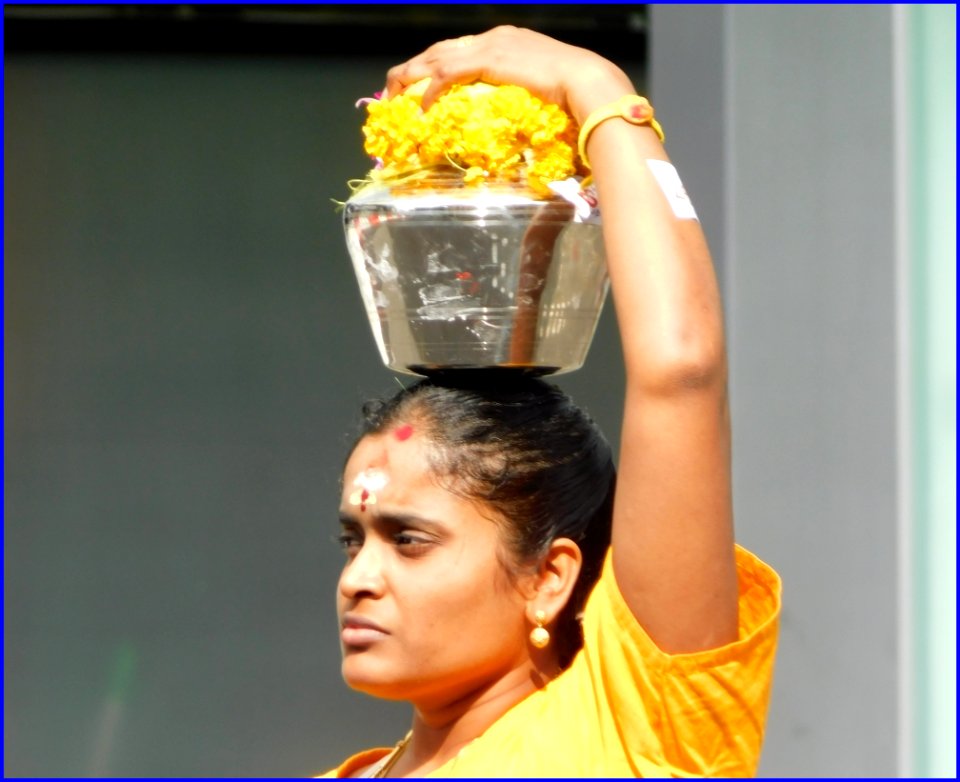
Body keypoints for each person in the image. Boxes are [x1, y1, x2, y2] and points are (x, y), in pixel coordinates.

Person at [323, 26, 781, 778]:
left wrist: (596, 89)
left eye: (407, 540)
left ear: (550, 579)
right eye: (355, 538)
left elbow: (682, 370)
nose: (357, 579)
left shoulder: (628, 734)